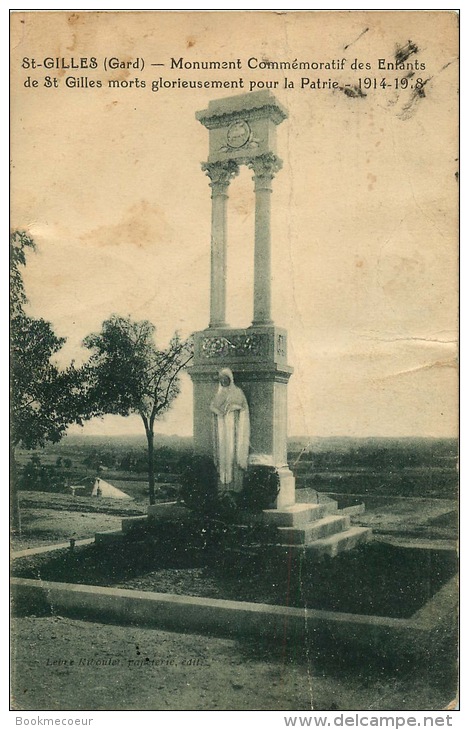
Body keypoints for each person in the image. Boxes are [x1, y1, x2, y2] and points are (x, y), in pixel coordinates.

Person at [210, 368, 250, 492]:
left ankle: (234, 487)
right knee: (223, 452)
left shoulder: (237, 392)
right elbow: (213, 406)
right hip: (222, 426)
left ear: (230, 380)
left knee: (232, 451)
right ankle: (223, 486)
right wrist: (218, 411)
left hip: (233, 427)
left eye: (225, 379)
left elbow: (243, 407)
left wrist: (233, 408)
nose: (223, 382)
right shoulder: (219, 394)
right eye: (221, 380)